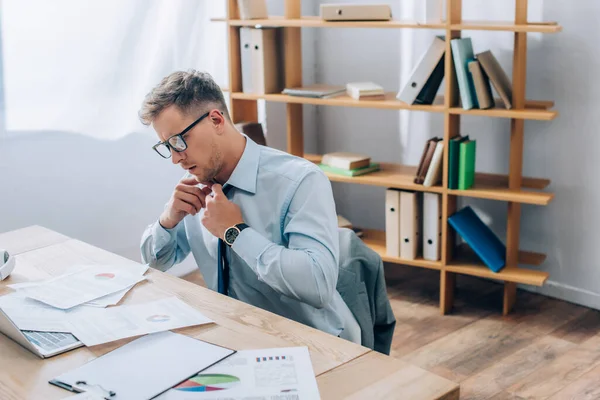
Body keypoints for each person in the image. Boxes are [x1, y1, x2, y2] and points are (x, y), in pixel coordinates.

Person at [139, 70, 360, 342]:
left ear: (216, 120)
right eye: (167, 146)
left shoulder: (300, 181)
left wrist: (235, 232)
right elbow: (155, 262)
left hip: (311, 344)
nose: (175, 159)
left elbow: (318, 286)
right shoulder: (195, 182)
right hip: (234, 334)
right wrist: (167, 220)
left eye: (178, 141)